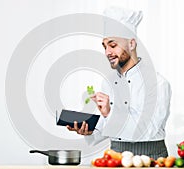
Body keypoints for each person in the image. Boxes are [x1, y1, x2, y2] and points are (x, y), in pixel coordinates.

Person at [67, 7, 171, 159]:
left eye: (113, 45)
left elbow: (148, 129)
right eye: (105, 46)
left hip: (150, 156)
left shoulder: (158, 83)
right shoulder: (108, 82)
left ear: (132, 44)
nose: (107, 52)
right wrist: (91, 130)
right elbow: (107, 124)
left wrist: (110, 113)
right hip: (115, 156)